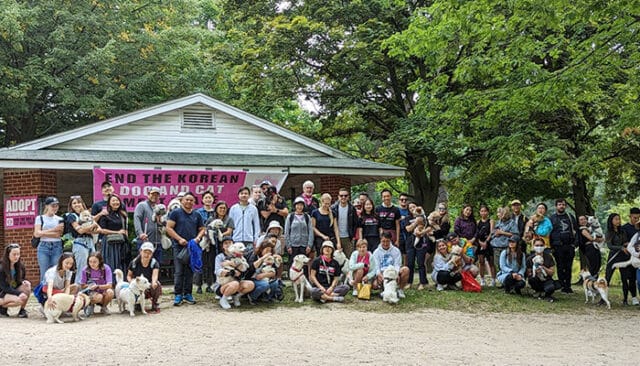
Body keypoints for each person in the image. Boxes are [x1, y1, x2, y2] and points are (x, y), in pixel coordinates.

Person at [166, 191, 205, 306]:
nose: (189, 202)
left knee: (190, 271)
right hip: (179, 246)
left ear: (194, 202)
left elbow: (202, 228)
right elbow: (168, 228)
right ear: (182, 201)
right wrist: (179, 239)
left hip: (192, 247)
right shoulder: (175, 213)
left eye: (191, 200)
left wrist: (197, 238)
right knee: (179, 271)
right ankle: (178, 294)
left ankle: (188, 293)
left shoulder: (197, 214)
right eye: (186, 199)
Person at [198, 200, 234, 294]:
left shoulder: (229, 219)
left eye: (224, 208)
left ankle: (220, 284)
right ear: (216, 209)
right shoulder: (211, 219)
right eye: (220, 208)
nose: (222, 210)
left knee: (222, 264)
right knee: (209, 264)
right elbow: (206, 229)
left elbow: (229, 231)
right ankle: (206, 284)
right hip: (211, 245)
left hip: (224, 244)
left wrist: (220, 234)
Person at [214, 236, 255, 309]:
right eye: (225, 243)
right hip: (223, 284)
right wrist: (232, 272)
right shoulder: (219, 257)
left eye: (230, 243)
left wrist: (232, 264)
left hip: (236, 281)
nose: (228, 245)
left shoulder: (241, 256)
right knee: (235, 283)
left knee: (250, 284)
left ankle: (236, 297)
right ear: (222, 246)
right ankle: (223, 299)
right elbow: (217, 271)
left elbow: (244, 269)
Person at [604, 213, 636, 305]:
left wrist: (627, 244)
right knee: (607, 278)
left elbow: (625, 241)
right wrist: (621, 248)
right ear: (611, 221)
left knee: (624, 278)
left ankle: (625, 299)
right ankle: (603, 299)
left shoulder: (622, 231)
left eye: (619, 219)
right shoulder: (609, 232)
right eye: (616, 219)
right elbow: (610, 246)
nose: (618, 221)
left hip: (623, 257)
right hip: (613, 257)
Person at [67, 195, 100, 284]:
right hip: (80, 242)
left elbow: (98, 229)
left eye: (78, 202)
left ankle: (91, 288)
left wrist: (91, 228)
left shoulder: (87, 214)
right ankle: (79, 289)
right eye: (74, 203)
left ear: (82, 204)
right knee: (82, 268)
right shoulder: (72, 216)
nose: (77, 205)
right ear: (71, 206)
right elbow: (80, 230)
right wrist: (92, 226)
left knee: (94, 265)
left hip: (91, 242)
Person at [98, 195, 129, 283]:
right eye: (113, 201)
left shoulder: (122, 215)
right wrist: (117, 232)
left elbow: (125, 229)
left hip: (121, 243)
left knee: (121, 263)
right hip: (109, 243)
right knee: (110, 263)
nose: (116, 202)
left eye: (117, 200)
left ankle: (121, 285)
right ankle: (110, 284)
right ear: (109, 203)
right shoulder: (105, 214)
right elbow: (102, 230)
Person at [549, 198, 578, 294]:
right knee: (560, 266)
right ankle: (561, 285)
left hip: (569, 245)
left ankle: (568, 286)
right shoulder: (552, 218)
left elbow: (576, 231)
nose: (561, 206)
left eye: (563, 204)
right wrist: (551, 246)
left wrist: (574, 244)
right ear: (556, 206)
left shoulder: (570, 217)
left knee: (568, 267)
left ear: (565, 206)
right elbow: (549, 233)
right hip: (557, 246)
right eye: (559, 204)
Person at [34, 196, 64, 281]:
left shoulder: (60, 219)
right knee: (44, 272)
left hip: (56, 246)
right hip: (43, 246)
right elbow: (36, 234)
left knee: (56, 270)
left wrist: (43, 232)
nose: (55, 208)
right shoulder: (40, 218)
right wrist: (54, 230)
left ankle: (54, 291)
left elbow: (58, 235)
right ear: (46, 206)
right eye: (52, 206)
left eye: (56, 206)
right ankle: (43, 292)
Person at [372, 232, 410, 298]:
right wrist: (379, 274)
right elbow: (376, 266)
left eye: (387, 241)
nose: (385, 243)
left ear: (390, 241)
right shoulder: (376, 252)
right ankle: (383, 290)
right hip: (382, 273)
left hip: (393, 272)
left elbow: (397, 264)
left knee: (406, 270)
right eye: (383, 241)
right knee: (374, 285)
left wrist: (396, 273)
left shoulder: (396, 251)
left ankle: (400, 290)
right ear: (380, 240)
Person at [127, 242, 162, 313]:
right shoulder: (134, 263)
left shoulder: (154, 263)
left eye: (149, 253)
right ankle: (137, 303)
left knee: (157, 284)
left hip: (148, 285)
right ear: (140, 251)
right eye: (145, 252)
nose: (147, 254)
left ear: (152, 254)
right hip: (137, 286)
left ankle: (155, 303)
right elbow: (129, 275)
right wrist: (131, 282)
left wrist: (154, 282)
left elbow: (155, 275)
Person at [247, 238, 283, 303]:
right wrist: (262, 258)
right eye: (266, 250)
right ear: (261, 249)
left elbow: (275, 271)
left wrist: (266, 274)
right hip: (252, 278)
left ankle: (267, 298)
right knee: (265, 285)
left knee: (275, 283)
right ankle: (252, 297)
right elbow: (251, 267)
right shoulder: (254, 256)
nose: (268, 252)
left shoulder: (271, 258)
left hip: (264, 278)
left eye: (270, 250)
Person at [285, 197, 314, 276]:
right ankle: (293, 279)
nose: (299, 207)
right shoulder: (290, 217)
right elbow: (287, 232)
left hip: (304, 244)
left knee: (304, 264)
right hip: (293, 244)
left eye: (301, 205)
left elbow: (311, 231)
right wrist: (288, 245)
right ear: (295, 206)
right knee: (293, 263)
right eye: (298, 205)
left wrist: (309, 245)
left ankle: (305, 281)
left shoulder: (307, 217)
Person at [0, 244, 31, 318]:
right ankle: (2, 307)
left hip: (12, 290)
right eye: (14, 254)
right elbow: (4, 287)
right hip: (2, 292)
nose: (16, 256)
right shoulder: (1, 268)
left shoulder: (20, 266)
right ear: (8, 254)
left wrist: (24, 281)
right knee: (19, 300)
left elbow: (20, 280)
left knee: (27, 286)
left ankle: (22, 310)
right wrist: (19, 293)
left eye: (18, 254)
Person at [133, 186, 163, 262]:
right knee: (144, 264)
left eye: (157, 195)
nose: (155, 196)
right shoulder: (142, 205)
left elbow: (163, 223)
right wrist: (140, 233)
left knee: (156, 265)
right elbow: (137, 219)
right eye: (153, 194)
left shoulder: (159, 208)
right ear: (148, 194)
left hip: (157, 242)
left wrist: (161, 221)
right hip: (145, 241)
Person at [79, 252, 114, 316]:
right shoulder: (85, 270)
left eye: (94, 262)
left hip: (103, 291)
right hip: (91, 292)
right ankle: (90, 305)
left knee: (110, 292)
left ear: (100, 261)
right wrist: (90, 286)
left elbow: (109, 285)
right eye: (90, 262)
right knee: (98, 297)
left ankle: (104, 307)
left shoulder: (106, 268)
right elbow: (82, 285)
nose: (92, 264)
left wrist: (98, 286)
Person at [228, 187, 261, 254]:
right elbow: (230, 225)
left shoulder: (253, 208)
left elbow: (256, 225)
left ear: (249, 195)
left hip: (249, 239)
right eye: (242, 193)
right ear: (238, 195)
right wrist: (230, 238)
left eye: (246, 193)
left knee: (249, 258)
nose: (244, 195)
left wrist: (256, 239)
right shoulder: (233, 208)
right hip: (236, 239)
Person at [526, 238, 558, 302]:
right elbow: (528, 273)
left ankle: (546, 294)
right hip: (535, 280)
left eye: (541, 245)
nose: (539, 247)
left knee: (552, 287)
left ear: (544, 246)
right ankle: (537, 291)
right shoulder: (530, 258)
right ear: (533, 246)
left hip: (547, 279)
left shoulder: (549, 257)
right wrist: (534, 272)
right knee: (531, 279)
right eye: (537, 245)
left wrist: (543, 268)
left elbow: (552, 272)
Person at [490, 206, 518, 274]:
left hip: (506, 246)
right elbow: (493, 233)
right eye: (497, 213)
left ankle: (509, 278)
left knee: (507, 264)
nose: (498, 214)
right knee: (498, 264)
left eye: (499, 212)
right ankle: (502, 278)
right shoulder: (498, 222)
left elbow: (515, 234)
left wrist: (502, 233)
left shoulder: (512, 223)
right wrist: (495, 234)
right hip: (496, 246)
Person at [331, 188, 358, 258]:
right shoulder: (333, 208)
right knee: (336, 259)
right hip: (336, 238)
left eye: (345, 195)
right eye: (341, 195)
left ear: (348, 197)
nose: (343, 197)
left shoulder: (352, 209)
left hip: (348, 238)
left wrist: (353, 236)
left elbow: (355, 223)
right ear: (338, 197)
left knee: (349, 258)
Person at [476, 205, 495, 286]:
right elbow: (476, 233)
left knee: (491, 262)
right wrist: (480, 242)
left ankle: (493, 279)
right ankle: (482, 279)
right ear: (480, 212)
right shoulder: (477, 222)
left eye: (485, 211)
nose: (483, 213)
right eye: (482, 211)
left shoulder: (491, 221)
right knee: (481, 261)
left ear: (488, 212)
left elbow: (492, 232)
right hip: (480, 243)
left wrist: (486, 242)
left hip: (489, 243)